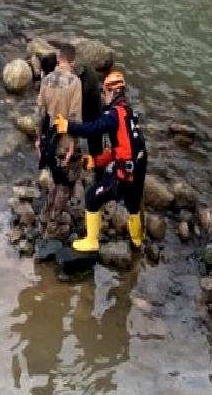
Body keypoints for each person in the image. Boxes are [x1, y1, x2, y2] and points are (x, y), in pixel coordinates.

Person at [53, 68, 147, 253]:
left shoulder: (114, 115)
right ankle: (137, 239)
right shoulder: (129, 113)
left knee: (92, 197)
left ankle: (91, 241)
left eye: (105, 92)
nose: (103, 96)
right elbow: (122, 148)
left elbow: (93, 128)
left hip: (124, 176)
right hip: (138, 172)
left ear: (113, 91)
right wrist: (97, 161)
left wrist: (68, 126)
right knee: (134, 205)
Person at [35, 44, 82, 217]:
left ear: (58, 57)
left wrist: (38, 139)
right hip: (65, 141)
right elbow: (75, 117)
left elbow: (39, 113)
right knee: (67, 180)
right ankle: (53, 220)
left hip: (49, 139)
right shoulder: (75, 83)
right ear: (72, 61)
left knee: (54, 175)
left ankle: (46, 213)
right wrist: (72, 146)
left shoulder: (46, 80)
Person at [76, 53, 103, 158]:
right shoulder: (87, 69)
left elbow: (81, 95)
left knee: (94, 141)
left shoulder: (88, 81)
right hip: (90, 110)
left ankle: (98, 163)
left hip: (92, 112)